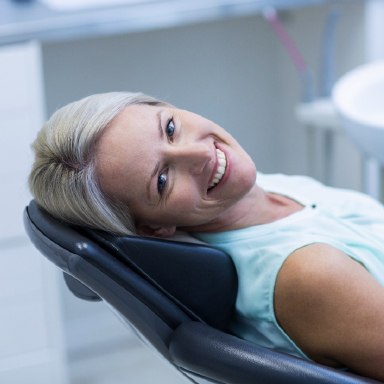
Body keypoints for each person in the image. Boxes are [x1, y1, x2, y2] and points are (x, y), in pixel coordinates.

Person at [29, 91, 384, 381]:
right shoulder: (308, 274)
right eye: (162, 180)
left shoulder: (254, 190)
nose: (201, 154)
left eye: (170, 128)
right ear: (153, 228)